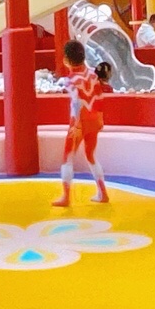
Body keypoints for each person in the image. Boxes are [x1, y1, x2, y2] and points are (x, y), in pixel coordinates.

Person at [52, 39, 111, 207]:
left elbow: (77, 104)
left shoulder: (70, 81)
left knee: (67, 158)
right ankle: (102, 192)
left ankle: (66, 196)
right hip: (95, 119)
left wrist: (76, 125)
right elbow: (99, 97)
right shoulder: (94, 74)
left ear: (66, 60)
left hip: (79, 122)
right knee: (91, 155)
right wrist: (99, 118)